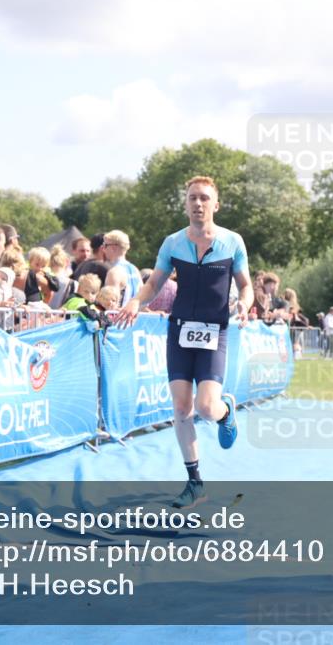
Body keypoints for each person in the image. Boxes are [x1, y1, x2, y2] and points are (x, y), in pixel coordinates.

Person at [115, 176, 252, 509]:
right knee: (181, 407)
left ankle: (225, 411)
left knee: (207, 407)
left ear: (215, 205)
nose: (198, 203)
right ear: (186, 203)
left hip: (214, 332)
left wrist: (245, 306)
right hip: (179, 331)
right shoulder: (173, 243)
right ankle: (195, 483)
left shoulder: (233, 242)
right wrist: (136, 302)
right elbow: (154, 283)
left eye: (204, 198)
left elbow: (246, 286)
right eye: (192, 197)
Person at [101, 230, 142, 307]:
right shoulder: (135, 269)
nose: (103, 249)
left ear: (113, 248)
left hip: (119, 318)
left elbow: (110, 305)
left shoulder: (114, 272)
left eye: (105, 245)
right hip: (134, 317)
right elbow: (143, 301)